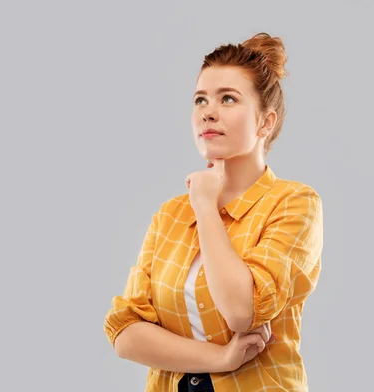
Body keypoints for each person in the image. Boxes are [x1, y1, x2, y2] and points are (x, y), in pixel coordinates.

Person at [103, 32, 324, 392]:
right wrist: (220, 360)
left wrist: (206, 206)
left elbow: (241, 311)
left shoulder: (293, 203)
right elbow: (125, 333)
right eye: (200, 99)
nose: (209, 111)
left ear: (265, 123)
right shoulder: (171, 215)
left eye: (228, 99)